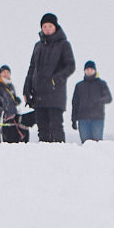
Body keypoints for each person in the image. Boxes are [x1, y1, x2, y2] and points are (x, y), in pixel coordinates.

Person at [23, 13, 75, 143]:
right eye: (44, 26)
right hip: (38, 93)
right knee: (42, 128)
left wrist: (55, 80)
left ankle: (60, 156)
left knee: (55, 127)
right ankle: (44, 158)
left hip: (55, 93)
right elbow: (31, 68)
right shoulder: (38, 46)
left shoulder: (63, 44)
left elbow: (70, 66)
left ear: (55, 27)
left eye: (49, 26)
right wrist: (26, 89)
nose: (47, 29)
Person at [70, 60, 113, 143]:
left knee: (97, 144)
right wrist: (73, 119)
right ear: (84, 70)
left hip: (97, 119)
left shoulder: (101, 84)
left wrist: (99, 101)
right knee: (85, 144)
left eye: (91, 69)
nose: (89, 71)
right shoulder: (79, 86)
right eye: (87, 69)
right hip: (82, 119)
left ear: (95, 70)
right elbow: (75, 103)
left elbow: (109, 98)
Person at [0, 64, 28, 143]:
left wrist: (16, 101)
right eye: (4, 72)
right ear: (0, 74)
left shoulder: (10, 86)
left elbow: (11, 100)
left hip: (12, 115)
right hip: (2, 116)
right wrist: (0, 105)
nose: (6, 75)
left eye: (7, 73)